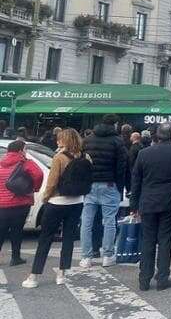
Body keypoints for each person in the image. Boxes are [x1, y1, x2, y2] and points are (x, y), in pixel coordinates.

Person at [131, 123, 171, 291]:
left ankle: (144, 279)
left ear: (157, 135)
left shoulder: (144, 153)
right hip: (170, 202)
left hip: (148, 202)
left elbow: (136, 180)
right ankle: (162, 278)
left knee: (148, 240)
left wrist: (134, 205)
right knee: (165, 240)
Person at [22, 129, 89, 288]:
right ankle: (62, 273)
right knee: (68, 239)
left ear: (64, 141)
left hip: (58, 202)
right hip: (77, 201)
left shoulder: (59, 157)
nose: (57, 142)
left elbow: (52, 182)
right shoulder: (86, 157)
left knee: (45, 238)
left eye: (59, 139)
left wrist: (46, 197)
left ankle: (34, 275)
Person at [80, 114, 128, 268]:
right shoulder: (117, 141)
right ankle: (108, 255)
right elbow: (122, 167)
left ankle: (86, 257)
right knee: (109, 221)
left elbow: (82, 162)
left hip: (90, 184)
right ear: (115, 124)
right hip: (109, 184)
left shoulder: (88, 140)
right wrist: (120, 187)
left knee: (86, 222)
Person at [0, 141, 44, 266]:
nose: (25, 152)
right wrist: (34, 188)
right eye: (25, 149)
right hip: (20, 203)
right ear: (20, 151)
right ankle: (15, 257)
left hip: (2, 204)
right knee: (17, 230)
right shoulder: (25, 163)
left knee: (1, 231)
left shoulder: (1, 163)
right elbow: (39, 174)